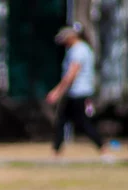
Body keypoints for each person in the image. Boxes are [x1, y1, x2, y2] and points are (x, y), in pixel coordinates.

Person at [46, 24, 115, 163]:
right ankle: (56, 153)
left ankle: (103, 148)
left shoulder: (78, 51)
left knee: (82, 123)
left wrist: (57, 91)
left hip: (79, 92)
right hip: (75, 92)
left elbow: (71, 74)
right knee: (62, 121)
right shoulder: (80, 49)